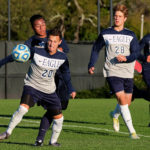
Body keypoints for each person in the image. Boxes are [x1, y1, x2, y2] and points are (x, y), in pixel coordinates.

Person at [0, 15, 71, 141]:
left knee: (58, 110)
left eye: (43, 24)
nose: (42, 27)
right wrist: (2, 62)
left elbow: (65, 49)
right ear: (33, 28)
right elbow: (19, 54)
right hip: (36, 83)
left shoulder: (53, 35)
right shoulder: (32, 42)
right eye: (38, 25)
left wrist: (59, 49)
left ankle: (45, 140)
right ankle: (36, 138)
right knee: (24, 108)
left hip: (56, 82)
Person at [88, 4, 140, 139]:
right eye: (115, 16)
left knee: (126, 102)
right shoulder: (105, 33)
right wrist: (91, 64)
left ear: (125, 18)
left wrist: (126, 58)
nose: (117, 18)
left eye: (120, 16)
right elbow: (95, 49)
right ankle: (132, 132)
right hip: (112, 70)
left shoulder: (131, 34)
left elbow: (136, 53)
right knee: (122, 100)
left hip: (127, 71)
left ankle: (115, 114)